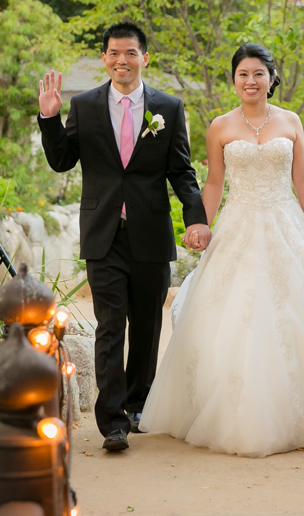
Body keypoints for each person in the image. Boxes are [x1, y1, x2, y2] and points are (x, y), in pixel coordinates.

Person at [139, 43, 304, 457]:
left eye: (258, 74)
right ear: (233, 80)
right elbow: (216, 182)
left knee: (297, 313)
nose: (250, 81)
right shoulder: (220, 126)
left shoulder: (291, 121)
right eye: (242, 74)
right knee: (233, 314)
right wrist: (201, 223)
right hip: (238, 225)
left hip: (285, 224)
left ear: (272, 79)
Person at [37, 22, 211, 453]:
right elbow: (62, 161)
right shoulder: (86, 105)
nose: (122, 60)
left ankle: (136, 405)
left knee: (147, 327)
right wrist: (49, 117)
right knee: (110, 329)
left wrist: (196, 218)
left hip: (150, 233)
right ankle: (113, 422)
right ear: (105, 58)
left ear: (144, 58)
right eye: (114, 53)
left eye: (130, 53)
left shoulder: (168, 108)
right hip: (104, 235)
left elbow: (181, 172)